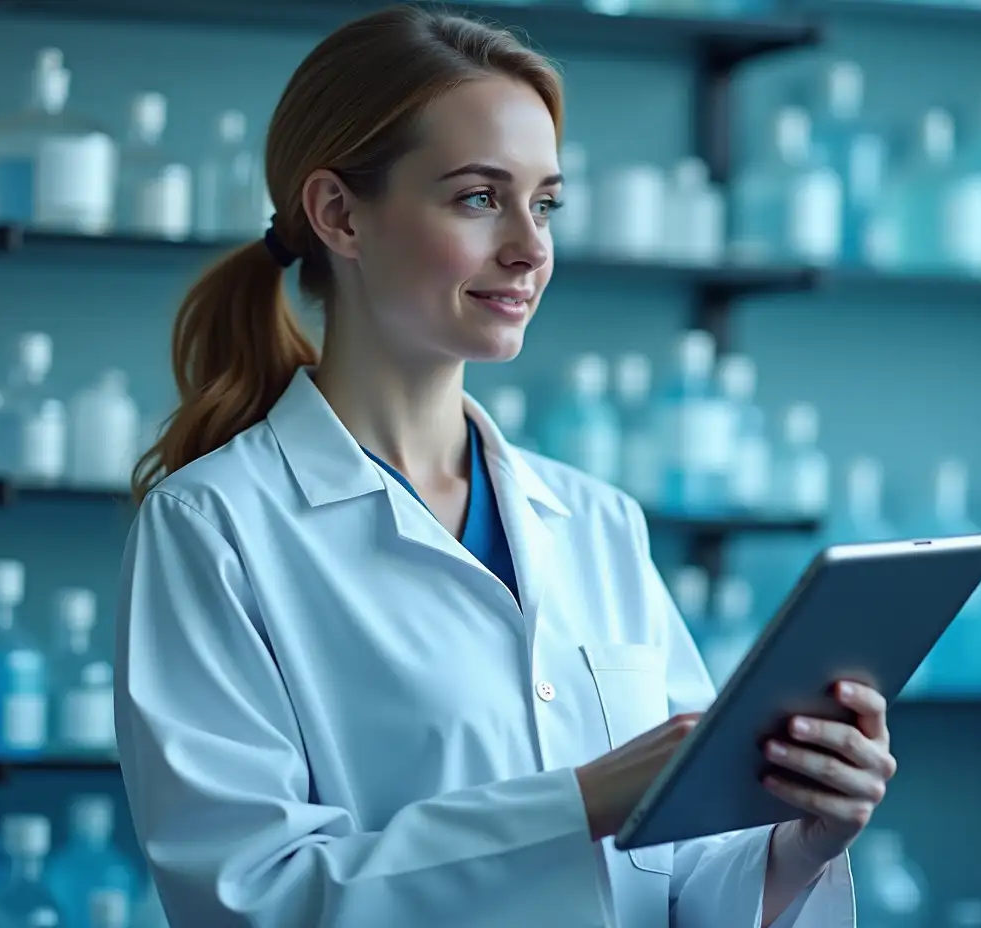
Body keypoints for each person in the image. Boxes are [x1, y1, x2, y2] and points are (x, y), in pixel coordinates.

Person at [114, 5, 898, 927]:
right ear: (340, 215)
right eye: (480, 198)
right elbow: (250, 898)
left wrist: (801, 840)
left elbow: (685, 878)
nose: (530, 248)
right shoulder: (215, 527)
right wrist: (578, 805)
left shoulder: (597, 521)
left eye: (546, 202)